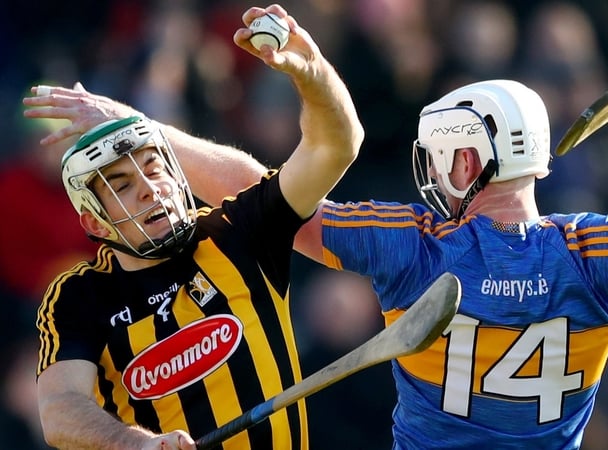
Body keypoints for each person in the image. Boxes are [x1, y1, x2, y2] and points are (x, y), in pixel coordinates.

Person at [26, 30, 608, 449]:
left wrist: (147, 131)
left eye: (437, 156)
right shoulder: (594, 255)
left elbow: (263, 187)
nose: (426, 172)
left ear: (467, 159)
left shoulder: (409, 245)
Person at [24, 4, 363, 450]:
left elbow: (337, 146)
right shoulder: (77, 296)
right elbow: (59, 409)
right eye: (122, 184)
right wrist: (138, 444)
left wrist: (311, 72)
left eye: (153, 167)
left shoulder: (240, 232)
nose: (148, 189)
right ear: (94, 222)